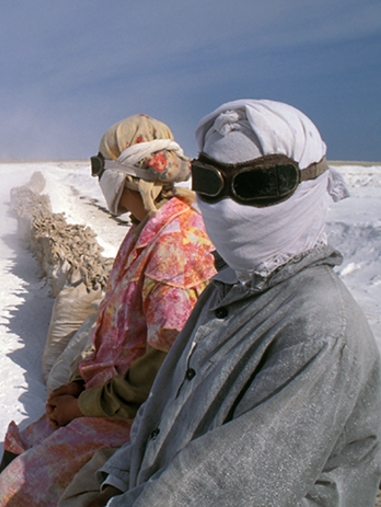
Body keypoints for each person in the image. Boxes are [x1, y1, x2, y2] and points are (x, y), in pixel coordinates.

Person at [90, 99, 381, 506]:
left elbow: (223, 490)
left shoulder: (318, 330)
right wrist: (118, 479)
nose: (227, 208)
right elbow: (167, 407)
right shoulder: (231, 285)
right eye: (210, 182)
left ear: (310, 187)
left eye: (258, 185)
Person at [0, 114, 218, 507]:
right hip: (108, 398)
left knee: (18, 486)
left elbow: (162, 370)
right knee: (23, 442)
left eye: (101, 165)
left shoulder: (174, 245)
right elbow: (118, 338)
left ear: (126, 173)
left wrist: (81, 406)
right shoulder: (142, 229)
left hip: (135, 417)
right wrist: (79, 384)